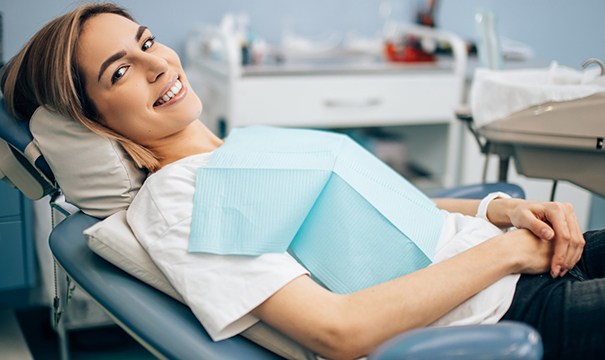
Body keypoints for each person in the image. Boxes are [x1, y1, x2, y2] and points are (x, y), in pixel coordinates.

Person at [1, 3, 602, 359]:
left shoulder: (229, 156)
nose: (161, 63)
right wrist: (506, 255)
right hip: (507, 308)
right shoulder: (179, 199)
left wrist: (498, 212)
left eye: (147, 42)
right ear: (93, 120)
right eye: (122, 70)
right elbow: (339, 332)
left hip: (508, 265)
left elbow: (378, 209)